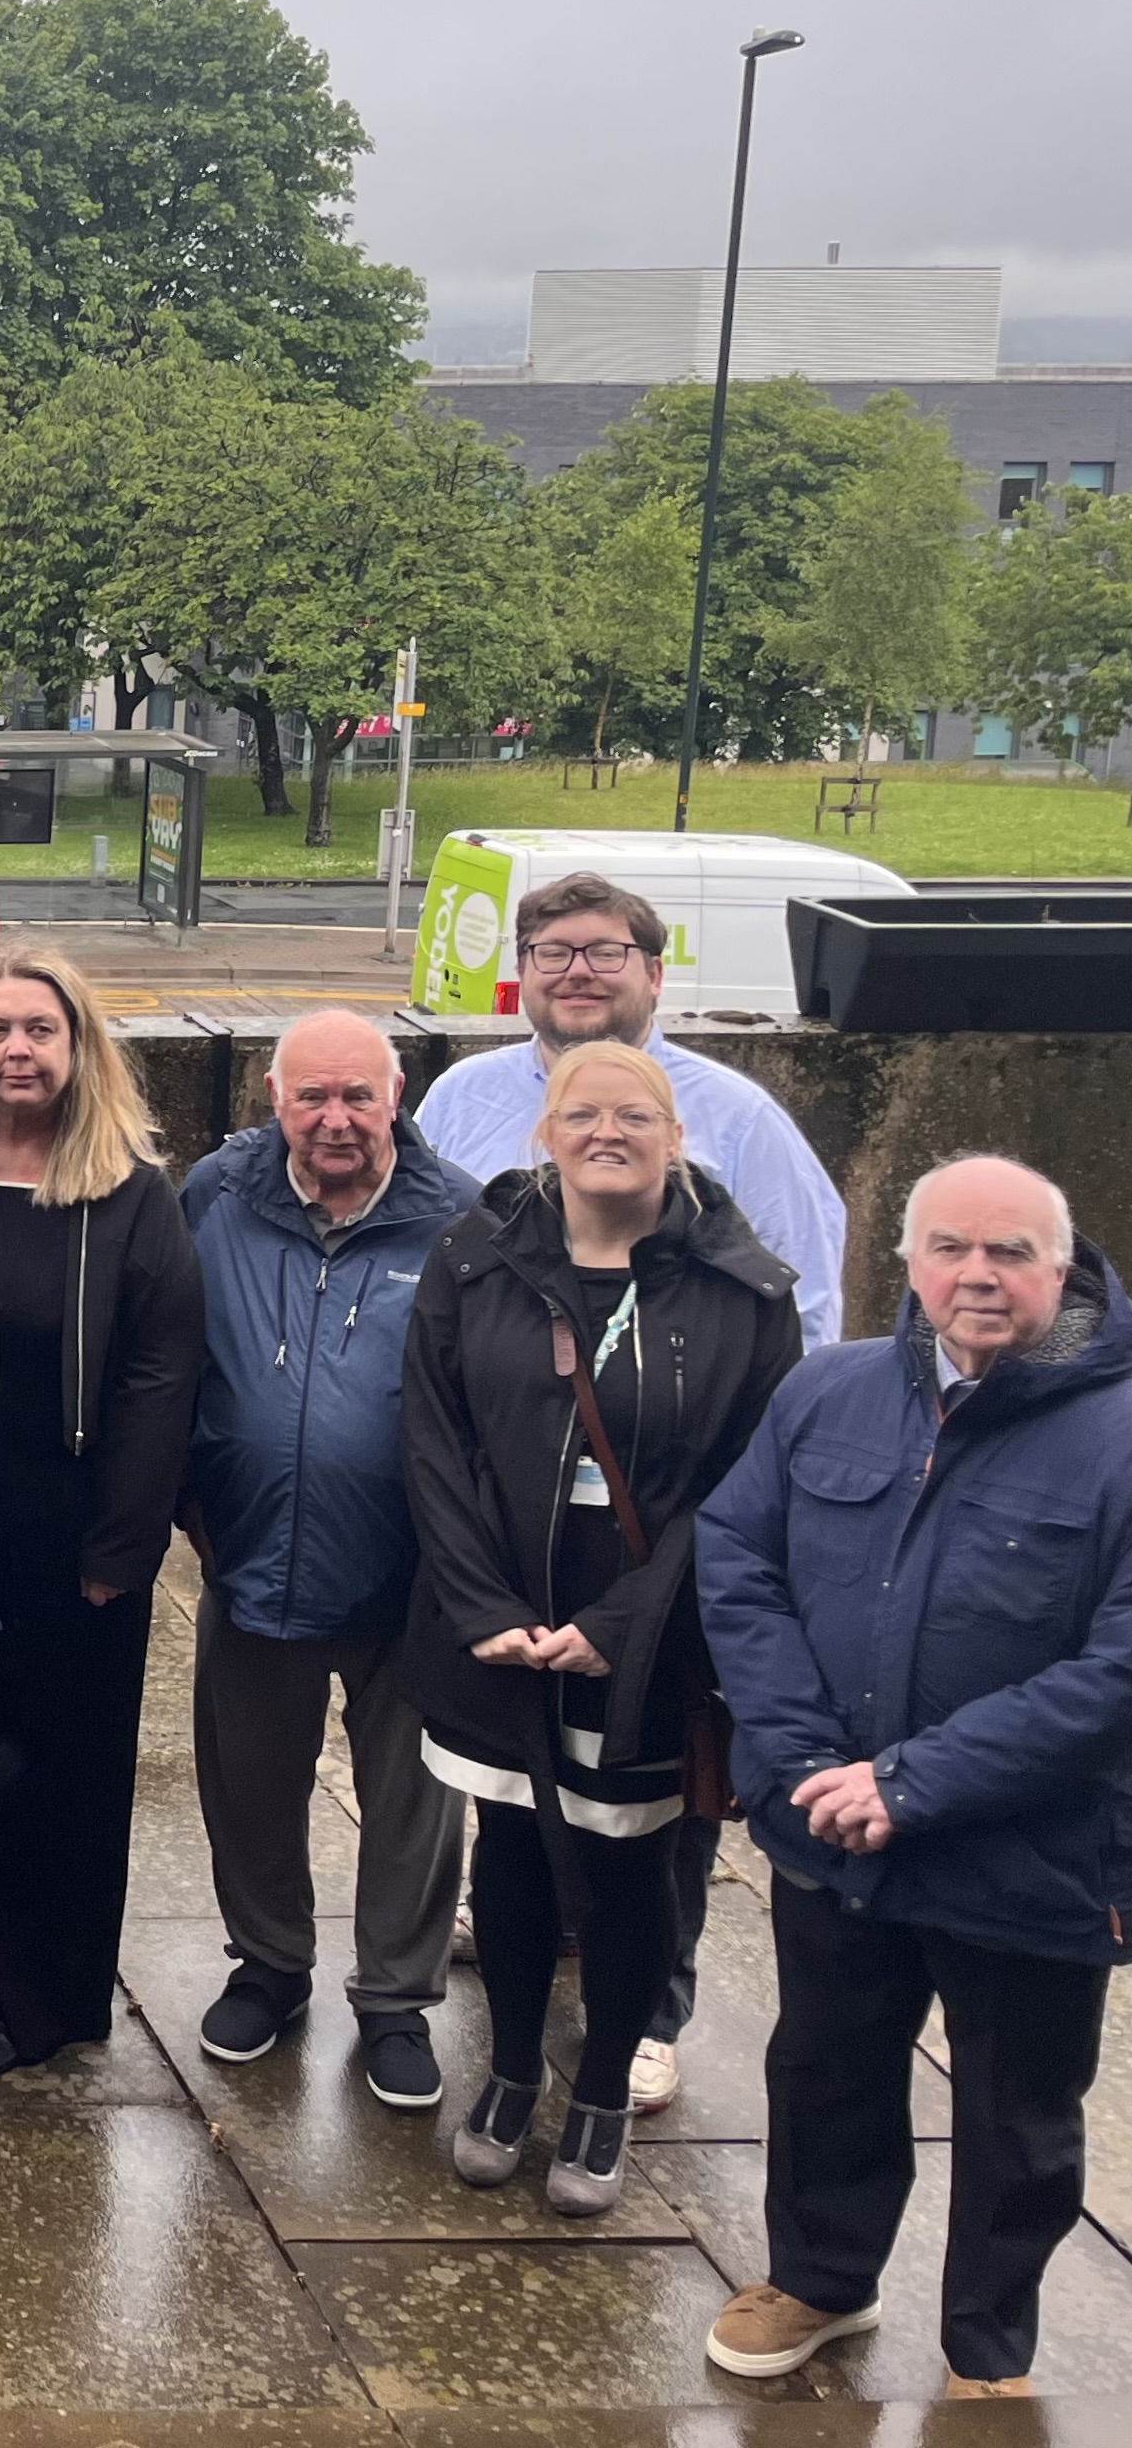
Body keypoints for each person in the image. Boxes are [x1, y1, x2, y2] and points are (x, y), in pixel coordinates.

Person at [698, 1157, 1132, 2399]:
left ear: (1062, 1268)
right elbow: (739, 1555)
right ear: (908, 1262)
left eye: (1009, 1255)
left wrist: (913, 1780)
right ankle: (822, 2279)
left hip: (1032, 1850)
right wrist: (794, 1757)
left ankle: (989, 2343)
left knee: (1020, 2110)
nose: (977, 1277)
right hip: (829, 1826)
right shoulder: (828, 1393)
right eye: (951, 1249)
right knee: (827, 2064)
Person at [418, 867, 848, 2109]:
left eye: (605, 952)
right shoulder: (463, 1098)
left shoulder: (739, 1117)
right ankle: (525, 1965)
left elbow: (803, 1306)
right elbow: (445, 1291)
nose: (577, 974)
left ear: (655, 975)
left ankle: (651, 2013)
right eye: (551, 952)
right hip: (516, 1508)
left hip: (670, 1512)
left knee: (663, 1794)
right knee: (518, 1774)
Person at [401, 1040, 800, 2216]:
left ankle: (605, 2090)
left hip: (649, 1609)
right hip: (502, 1600)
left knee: (628, 1864)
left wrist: (625, 1623)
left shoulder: (742, 1289)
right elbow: (433, 1437)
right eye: (581, 1113)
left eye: (634, 1115)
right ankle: (514, 2071)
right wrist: (483, 1605)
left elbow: (741, 1482)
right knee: (514, 1849)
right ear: (545, 1131)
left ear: (673, 1137)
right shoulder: (474, 1257)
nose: (605, 1132)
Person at [0, 948, 202, 2074]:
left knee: (54, 1775)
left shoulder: (128, 1196)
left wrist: (122, 1545)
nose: (17, 1050)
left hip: (70, 1535)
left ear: (78, 1050)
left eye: (40, 1030)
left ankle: (39, 1991)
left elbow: (160, 1379)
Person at [178, 1010, 480, 2112]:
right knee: (249, 1784)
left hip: (414, 1577)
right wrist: (188, 1502)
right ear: (273, 1096)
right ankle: (268, 1967)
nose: (336, 1118)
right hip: (251, 1552)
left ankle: (396, 2000)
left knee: (414, 1799)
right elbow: (162, 1353)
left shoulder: (460, 1219)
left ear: (396, 1094)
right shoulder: (216, 1194)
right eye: (313, 1097)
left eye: (358, 1095)